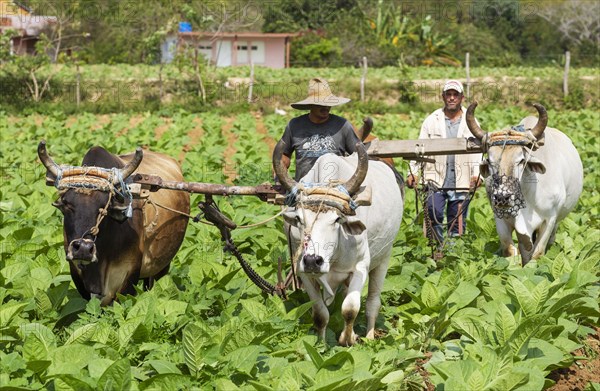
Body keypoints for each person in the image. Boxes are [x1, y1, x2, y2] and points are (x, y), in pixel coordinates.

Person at [406, 80, 482, 245]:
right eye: (449, 94)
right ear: (443, 97)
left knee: (457, 222)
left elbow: (478, 154)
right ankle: (437, 248)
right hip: (435, 177)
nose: (452, 98)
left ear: (462, 97)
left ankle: (453, 255)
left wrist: (477, 175)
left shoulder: (472, 123)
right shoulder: (432, 120)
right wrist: (413, 172)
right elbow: (420, 147)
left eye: (455, 95)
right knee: (433, 212)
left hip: (461, 180)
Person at [278, 77, 361, 181]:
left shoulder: (342, 125)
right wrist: (280, 175)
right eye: (321, 103)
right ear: (311, 105)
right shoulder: (294, 125)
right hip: (304, 189)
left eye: (328, 103)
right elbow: (284, 155)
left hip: (335, 189)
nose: (326, 107)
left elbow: (358, 156)